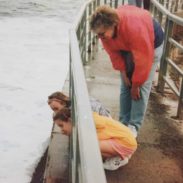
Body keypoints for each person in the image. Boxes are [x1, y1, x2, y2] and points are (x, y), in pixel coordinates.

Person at [90, 5, 164, 137]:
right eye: (98, 35)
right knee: (126, 84)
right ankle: (123, 123)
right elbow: (114, 54)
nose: (100, 37)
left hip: (151, 42)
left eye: (102, 34)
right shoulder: (106, 35)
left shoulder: (134, 28)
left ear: (113, 24)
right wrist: (123, 72)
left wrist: (136, 85)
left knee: (140, 87)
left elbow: (143, 61)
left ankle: (134, 126)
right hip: (125, 43)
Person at [53, 107, 137, 170]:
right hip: (124, 140)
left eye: (61, 125)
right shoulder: (83, 120)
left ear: (70, 120)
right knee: (89, 145)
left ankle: (120, 158)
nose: (61, 130)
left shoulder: (88, 123)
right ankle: (120, 155)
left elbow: (101, 125)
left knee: (89, 145)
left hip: (126, 143)